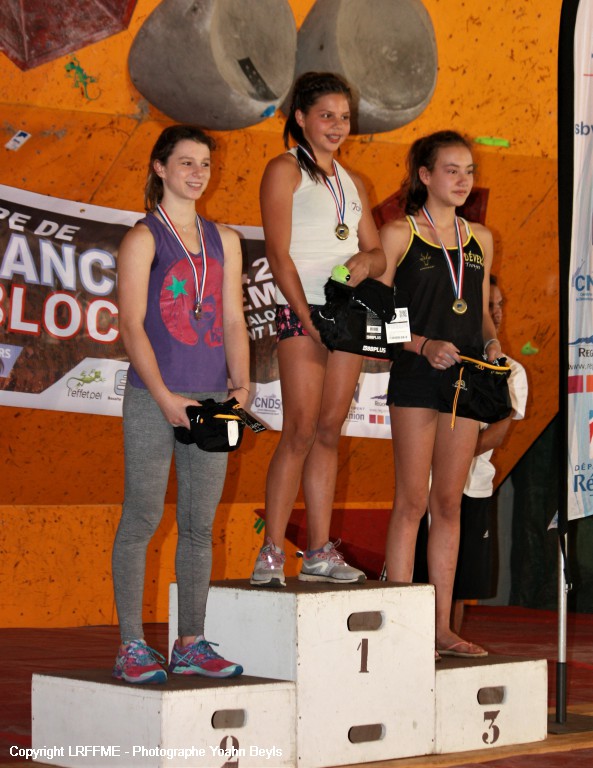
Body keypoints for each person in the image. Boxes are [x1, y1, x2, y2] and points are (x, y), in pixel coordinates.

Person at [112, 124, 250, 684]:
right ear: (160, 168)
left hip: (213, 399)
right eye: (186, 163)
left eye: (204, 164)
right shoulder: (143, 238)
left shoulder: (226, 240)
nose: (197, 173)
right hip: (155, 397)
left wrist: (242, 386)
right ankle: (130, 644)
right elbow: (131, 326)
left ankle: (190, 642)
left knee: (198, 525)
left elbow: (234, 318)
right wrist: (166, 397)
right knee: (142, 518)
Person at [250, 72, 385, 587]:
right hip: (303, 311)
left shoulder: (354, 182)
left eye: (344, 117)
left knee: (329, 430)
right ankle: (270, 551)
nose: (337, 125)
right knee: (301, 430)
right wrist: (304, 314)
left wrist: (366, 263)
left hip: (347, 316)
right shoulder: (284, 169)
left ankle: (319, 552)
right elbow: (277, 252)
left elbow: (376, 252)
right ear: (301, 118)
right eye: (326, 115)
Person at [379, 130, 501, 658]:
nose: (463, 179)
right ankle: (398, 627)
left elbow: (481, 314)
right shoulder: (398, 234)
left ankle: (440, 629)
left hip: (465, 380)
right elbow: (378, 313)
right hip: (416, 374)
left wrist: (492, 344)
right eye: (451, 170)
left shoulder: (481, 238)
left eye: (469, 170)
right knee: (411, 502)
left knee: (448, 503)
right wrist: (422, 345)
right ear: (425, 176)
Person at [451, 275, 528, 632]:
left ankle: (448, 642)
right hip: (429, 487)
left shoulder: (513, 371)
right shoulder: (448, 358)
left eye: (500, 305)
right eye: (489, 304)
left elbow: (497, 433)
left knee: (460, 584)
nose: (496, 312)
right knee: (423, 577)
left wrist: (451, 455)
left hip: (475, 489)